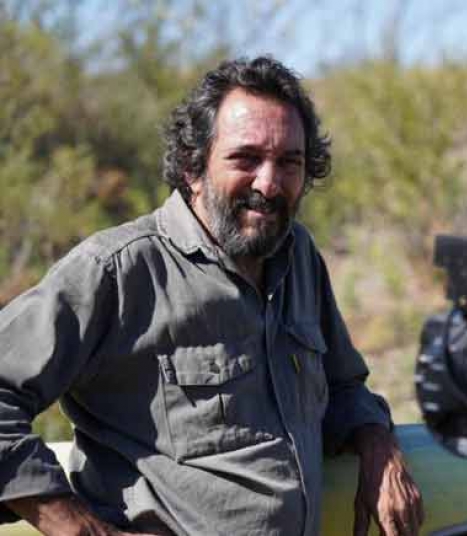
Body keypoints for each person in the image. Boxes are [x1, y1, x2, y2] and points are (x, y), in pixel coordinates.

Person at [0, 56, 423, 536]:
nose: (269, 183)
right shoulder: (117, 271)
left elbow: (343, 386)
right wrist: (80, 529)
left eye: (290, 162)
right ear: (192, 167)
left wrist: (376, 442)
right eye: (246, 159)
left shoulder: (298, 257)